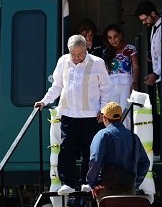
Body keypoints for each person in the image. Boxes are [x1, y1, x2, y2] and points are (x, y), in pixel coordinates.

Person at [35, 34, 110, 190]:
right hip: (69, 114)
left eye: (79, 54)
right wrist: (44, 101)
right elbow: (57, 85)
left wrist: (103, 109)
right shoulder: (63, 61)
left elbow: (106, 88)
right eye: (73, 54)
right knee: (67, 148)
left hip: (91, 115)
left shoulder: (98, 63)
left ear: (86, 49)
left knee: (90, 150)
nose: (76, 57)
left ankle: (88, 182)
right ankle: (68, 183)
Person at [87, 101, 150, 202]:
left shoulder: (103, 135)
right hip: (129, 189)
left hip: (106, 190)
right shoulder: (134, 137)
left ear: (104, 118)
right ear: (120, 118)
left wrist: (93, 183)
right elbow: (145, 163)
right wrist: (134, 183)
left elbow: (95, 159)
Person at [135, 0, 161, 157]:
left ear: (153, 13)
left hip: (161, 77)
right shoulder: (153, 29)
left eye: (145, 19)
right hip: (157, 77)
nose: (144, 23)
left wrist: (156, 73)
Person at [103, 23, 139, 126]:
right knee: (111, 112)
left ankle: (125, 137)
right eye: (109, 38)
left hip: (126, 84)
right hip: (111, 85)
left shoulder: (130, 48)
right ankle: (114, 136)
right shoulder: (107, 51)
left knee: (125, 112)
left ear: (120, 35)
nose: (113, 40)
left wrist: (135, 82)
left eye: (115, 36)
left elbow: (136, 66)